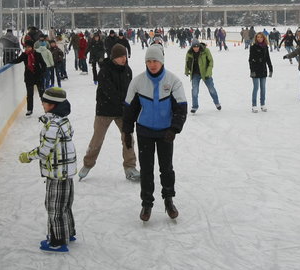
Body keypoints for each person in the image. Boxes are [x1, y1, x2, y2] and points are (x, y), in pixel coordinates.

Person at [123, 44, 188, 222]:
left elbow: (181, 107)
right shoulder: (137, 82)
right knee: (146, 170)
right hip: (144, 132)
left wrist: (174, 128)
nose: (152, 64)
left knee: (166, 168)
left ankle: (168, 200)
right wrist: (127, 132)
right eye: (149, 61)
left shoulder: (173, 81)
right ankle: (146, 203)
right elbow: (129, 110)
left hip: (165, 133)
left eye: (155, 61)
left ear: (162, 61)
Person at [18, 87, 77, 252]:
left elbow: (45, 150)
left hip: (57, 172)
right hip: (66, 170)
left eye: (44, 101)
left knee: (54, 207)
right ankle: (68, 232)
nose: (42, 103)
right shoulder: (64, 121)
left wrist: (27, 156)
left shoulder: (53, 125)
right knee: (64, 205)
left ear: (52, 105)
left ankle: (58, 241)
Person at [78, 43, 139, 181]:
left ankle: (130, 167)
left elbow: (130, 90)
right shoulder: (104, 71)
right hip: (104, 111)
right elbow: (109, 92)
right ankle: (87, 164)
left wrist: (131, 105)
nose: (123, 59)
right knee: (97, 140)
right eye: (120, 57)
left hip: (122, 111)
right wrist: (124, 102)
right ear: (113, 58)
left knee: (128, 139)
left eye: (124, 56)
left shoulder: (127, 70)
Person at [185, 40, 222, 113]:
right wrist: (186, 70)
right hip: (195, 74)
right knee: (194, 91)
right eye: (194, 47)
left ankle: (217, 102)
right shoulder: (189, 53)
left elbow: (211, 61)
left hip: (205, 73)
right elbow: (187, 62)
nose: (196, 48)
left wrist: (208, 72)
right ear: (192, 47)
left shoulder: (205, 51)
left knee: (212, 90)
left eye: (197, 47)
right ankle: (195, 106)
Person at [12, 41, 47, 116]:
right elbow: (18, 60)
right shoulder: (24, 55)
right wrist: (9, 62)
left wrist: (42, 73)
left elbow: (44, 65)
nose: (27, 48)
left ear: (32, 47)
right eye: (26, 47)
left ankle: (46, 109)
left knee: (42, 94)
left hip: (38, 77)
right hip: (29, 77)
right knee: (30, 94)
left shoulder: (38, 54)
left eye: (29, 47)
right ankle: (29, 109)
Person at [248, 32, 273, 113]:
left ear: (263, 38)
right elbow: (250, 60)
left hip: (263, 70)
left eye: (261, 37)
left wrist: (270, 68)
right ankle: (254, 105)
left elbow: (268, 59)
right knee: (256, 88)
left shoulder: (265, 47)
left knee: (263, 88)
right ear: (256, 38)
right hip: (255, 70)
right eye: (258, 37)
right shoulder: (253, 47)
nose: (259, 38)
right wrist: (252, 71)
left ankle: (262, 104)